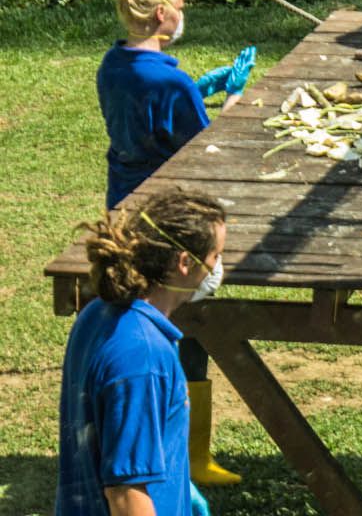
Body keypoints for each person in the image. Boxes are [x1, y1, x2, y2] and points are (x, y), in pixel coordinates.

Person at [97, 0, 255, 486]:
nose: (185, 14)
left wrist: (194, 89)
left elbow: (151, 120)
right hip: (168, 223)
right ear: (162, 14)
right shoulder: (170, 81)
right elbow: (204, 149)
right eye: (181, 5)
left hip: (123, 209)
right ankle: (192, 458)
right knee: (192, 327)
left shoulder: (113, 65)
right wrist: (230, 100)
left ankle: (178, 455)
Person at [56, 189, 228, 516]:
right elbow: (125, 494)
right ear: (183, 263)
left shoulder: (99, 313)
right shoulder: (143, 356)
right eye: (215, 256)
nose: (218, 267)